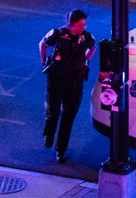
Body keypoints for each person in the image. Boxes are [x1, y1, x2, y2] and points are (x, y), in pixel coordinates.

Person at [39, 9, 95, 163]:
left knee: (68, 117)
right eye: (80, 25)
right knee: (53, 112)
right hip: (56, 79)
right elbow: (42, 44)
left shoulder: (87, 37)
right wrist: (44, 61)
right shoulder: (57, 34)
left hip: (75, 82)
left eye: (84, 24)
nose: (83, 27)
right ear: (71, 24)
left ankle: (60, 150)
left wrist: (85, 58)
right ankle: (49, 135)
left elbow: (93, 47)